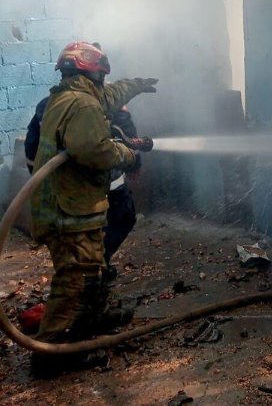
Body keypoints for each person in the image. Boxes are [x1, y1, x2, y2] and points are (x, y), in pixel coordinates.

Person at [28, 41, 157, 375]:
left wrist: (135, 86)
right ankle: (50, 354)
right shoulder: (83, 105)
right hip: (67, 211)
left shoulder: (70, 95)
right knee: (73, 281)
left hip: (71, 205)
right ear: (95, 72)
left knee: (92, 268)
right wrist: (128, 155)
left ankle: (92, 320)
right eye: (103, 75)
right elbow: (95, 151)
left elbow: (111, 95)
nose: (104, 82)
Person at [27, 101, 146, 281]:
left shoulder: (109, 99)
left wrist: (134, 161)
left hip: (107, 173)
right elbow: (34, 154)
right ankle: (85, 274)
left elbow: (127, 131)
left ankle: (99, 261)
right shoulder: (48, 109)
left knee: (124, 215)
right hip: (72, 183)